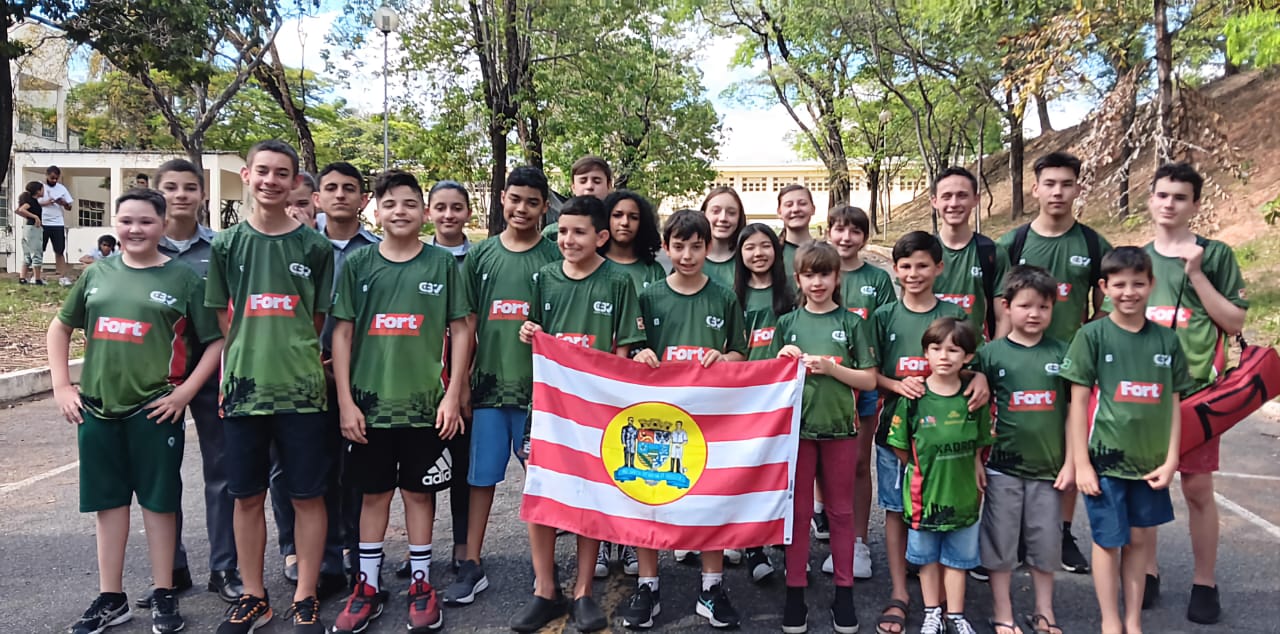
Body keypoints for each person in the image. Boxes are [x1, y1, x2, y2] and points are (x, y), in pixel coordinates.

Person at [49, 188, 223, 634]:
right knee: (109, 504)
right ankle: (112, 596)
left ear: (162, 225)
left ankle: (165, 591)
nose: (135, 229)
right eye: (126, 220)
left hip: (154, 409)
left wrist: (184, 394)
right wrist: (63, 385)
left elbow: (217, 341)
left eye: (145, 221)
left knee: (159, 503)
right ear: (116, 223)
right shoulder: (97, 275)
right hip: (99, 409)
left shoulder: (184, 279)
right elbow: (60, 325)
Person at [328, 170, 473, 634]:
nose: (400, 212)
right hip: (370, 408)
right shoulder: (359, 265)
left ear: (424, 211)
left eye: (410, 203)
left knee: (418, 493)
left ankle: (420, 583)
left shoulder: (442, 265)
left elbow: (463, 329)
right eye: (390, 204)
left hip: (426, 407)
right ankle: (366, 586)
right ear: (376, 210)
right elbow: (343, 333)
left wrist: (453, 395)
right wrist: (346, 401)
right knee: (373, 495)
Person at [207, 140, 336, 634]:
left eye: (282, 174)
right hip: (243, 390)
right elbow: (224, 318)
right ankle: (253, 596)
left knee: (307, 495)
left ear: (294, 182)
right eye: (263, 171)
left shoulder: (315, 247)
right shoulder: (226, 245)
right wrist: (250, 356)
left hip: (302, 391)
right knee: (246, 496)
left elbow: (317, 318)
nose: (271, 181)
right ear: (246, 174)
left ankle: (305, 594)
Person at [511, 195, 646, 633]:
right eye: (563, 231)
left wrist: (614, 396)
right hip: (550, 409)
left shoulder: (617, 282)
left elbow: (623, 350)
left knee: (590, 498)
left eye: (579, 232)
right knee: (543, 496)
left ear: (601, 237)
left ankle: (585, 591)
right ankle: (545, 590)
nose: (569, 240)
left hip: (598, 411)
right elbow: (533, 333)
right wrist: (528, 331)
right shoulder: (544, 278)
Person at [621, 209, 748, 630]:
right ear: (666, 247)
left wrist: (723, 356)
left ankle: (711, 587)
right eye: (679, 245)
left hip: (709, 416)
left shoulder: (724, 296)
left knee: (709, 495)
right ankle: (648, 585)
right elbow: (635, 350)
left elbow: (740, 354)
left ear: (709, 248)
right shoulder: (650, 296)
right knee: (648, 492)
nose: (688, 254)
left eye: (697, 246)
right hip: (658, 414)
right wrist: (642, 354)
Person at [443, 166, 562, 606]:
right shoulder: (481, 256)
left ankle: (545, 574)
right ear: (502, 200)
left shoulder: (554, 257)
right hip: (489, 389)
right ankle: (471, 562)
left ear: (544, 207)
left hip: (540, 395)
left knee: (540, 482)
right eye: (515, 199)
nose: (522, 209)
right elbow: (466, 325)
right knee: (481, 480)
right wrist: (459, 387)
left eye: (532, 202)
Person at [1060, 247, 1192, 634]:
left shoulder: (1166, 342)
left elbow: (1175, 406)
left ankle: (1133, 619)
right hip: (1105, 462)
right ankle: (1111, 620)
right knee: (1108, 541)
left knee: (1138, 541)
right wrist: (1081, 463)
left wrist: (1171, 461)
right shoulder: (1092, 335)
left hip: (1149, 464)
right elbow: (1077, 405)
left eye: (1138, 283)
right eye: (1119, 284)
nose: (1129, 292)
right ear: (1103, 288)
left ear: (1151, 285)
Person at [1139, 163, 1247, 624]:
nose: (1169, 204)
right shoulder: (1137, 256)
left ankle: (1205, 581)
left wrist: (1197, 274)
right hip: (1143, 395)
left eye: (1180, 197)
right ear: (1150, 200)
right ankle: (1147, 570)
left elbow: (1235, 322)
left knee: (1198, 488)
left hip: (1198, 392)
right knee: (1144, 486)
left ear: (1195, 204)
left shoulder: (1216, 254)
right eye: (1162, 195)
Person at [997, 151, 1113, 575]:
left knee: (1068, 448)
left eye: (1067, 184)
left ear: (1077, 188)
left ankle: (1061, 533)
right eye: (1050, 183)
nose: (1058, 191)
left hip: (1070, 367)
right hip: (1018, 360)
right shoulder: (1014, 243)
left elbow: (1108, 304)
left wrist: (1087, 341)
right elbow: (999, 305)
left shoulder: (1093, 243)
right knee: (1015, 442)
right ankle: (1013, 533)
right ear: (1036, 188)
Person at [270, 161, 378, 596]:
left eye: (349, 189)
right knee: (294, 469)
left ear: (362, 200)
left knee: (352, 467)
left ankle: (349, 547)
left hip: (356, 374)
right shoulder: (295, 248)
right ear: (316, 198)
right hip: (301, 374)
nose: (339, 195)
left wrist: (345, 368)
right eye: (330, 188)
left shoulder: (375, 251)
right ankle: (296, 548)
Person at [140, 159, 243, 608]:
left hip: (214, 372)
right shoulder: (141, 245)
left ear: (202, 194)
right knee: (161, 477)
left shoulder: (219, 248)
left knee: (223, 472)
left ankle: (224, 567)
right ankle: (171, 569)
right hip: (157, 381)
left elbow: (232, 312)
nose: (180, 195)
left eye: (189, 188)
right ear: (157, 191)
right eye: (171, 187)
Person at [871, 232, 976, 634]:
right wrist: (898, 385)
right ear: (895, 270)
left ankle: (948, 603)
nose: (914, 273)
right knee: (897, 509)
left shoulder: (953, 314)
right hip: (897, 436)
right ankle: (900, 591)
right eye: (906, 266)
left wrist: (978, 377)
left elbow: (970, 364)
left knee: (944, 509)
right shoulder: (884, 316)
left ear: (938, 267)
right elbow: (869, 373)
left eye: (922, 265)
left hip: (947, 439)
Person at [776, 241, 878, 634]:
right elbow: (768, 378)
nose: (817, 282)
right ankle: (795, 592)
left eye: (824, 274)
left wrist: (831, 369)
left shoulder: (852, 322)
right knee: (799, 514)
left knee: (840, 512)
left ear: (837, 278)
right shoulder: (787, 323)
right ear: (798, 279)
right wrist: (781, 359)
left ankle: (845, 592)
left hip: (840, 431)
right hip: (797, 434)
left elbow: (868, 379)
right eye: (809, 274)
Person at [977, 266, 1072, 634]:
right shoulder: (991, 355)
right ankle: (1003, 612)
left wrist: (1072, 461)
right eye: (1025, 305)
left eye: (1043, 307)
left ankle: (1043, 612)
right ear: (1006, 307)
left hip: (1049, 469)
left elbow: (1074, 412)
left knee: (1045, 544)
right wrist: (976, 461)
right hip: (1002, 466)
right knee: (1000, 545)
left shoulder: (1064, 354)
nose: (1034, 314)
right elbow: (977, 415)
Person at [389, 179, 474, 581]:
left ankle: (462, 546)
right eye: (440, 207)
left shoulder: (476, 259)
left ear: (468, 213)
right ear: (429, 213)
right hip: (418, 384)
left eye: (456, 207)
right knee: (418, 477)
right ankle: (418, 551)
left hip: (460, 380)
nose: (448, 215)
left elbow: (471, 325)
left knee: (460, 469)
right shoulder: (408, 257)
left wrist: (464, 383)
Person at [886, 317, 990, 634]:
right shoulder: (914, 399)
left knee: (958, 561)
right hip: (924, 497)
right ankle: (932, 612)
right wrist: (925, 468)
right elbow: (901, 448)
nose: (945, 356)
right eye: (937, 348)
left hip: (964, 497)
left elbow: (980, 443)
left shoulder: (974, 399)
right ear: (926, 354)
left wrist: (974, 463)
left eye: (954, 350)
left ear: (968, 357)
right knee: (927, 559)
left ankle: (955, 614)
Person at [825, 204, 896, 581]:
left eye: (854, 231)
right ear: (828, 232)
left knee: (856, 463)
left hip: (862, 384)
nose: (846, 237)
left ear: (864, 238)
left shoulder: (877, 280)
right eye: (839, 229)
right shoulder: (819, 272)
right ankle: (824, 538)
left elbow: (885, 331)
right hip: (822, 386)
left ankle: (858, 542)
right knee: (820, 466)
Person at [733, 222, 795, 584]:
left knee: (784, 473)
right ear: (740, 255)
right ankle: (753, 546)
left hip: (784, 399)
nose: (758, 254)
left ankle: (788, 544)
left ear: (776, 251)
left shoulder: (791, 294)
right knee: (752, 472)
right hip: (746, 399)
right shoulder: (732, 297)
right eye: (750, 248)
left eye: (765, 246)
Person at [931, 167, 1011, 342]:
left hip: (976, 357)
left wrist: (993, 356)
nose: (954, 203)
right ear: (934, 201)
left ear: (976, 199)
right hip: (930, 358)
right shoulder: (923, 252)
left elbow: (1003, 316)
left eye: (962, 195)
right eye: (947, 196)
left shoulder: (991, 252)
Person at [603, 190, 665, 293]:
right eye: (617, 215)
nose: (625, 222)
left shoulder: (653, 271)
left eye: (633, 217)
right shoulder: (592, 264)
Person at [543, 155, 613, 239]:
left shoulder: (619, 230)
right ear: (573, 187)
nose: (589, 186)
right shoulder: (552, 234)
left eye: (597, 181)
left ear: (609, 186)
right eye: (583, 181)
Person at [700, 186, 746, 289]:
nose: (723, 218)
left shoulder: (748, 259)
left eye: (731, 213)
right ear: (703, 214)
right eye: (716, 211)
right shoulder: (689, 259)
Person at [38, 165, 75, 286]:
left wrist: (63, 203)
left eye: (56, 178)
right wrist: (46, 202)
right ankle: (37, 276)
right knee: (39, 250)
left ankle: (62, 277)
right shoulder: (39, 187)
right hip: (42, 222)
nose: (54, 180)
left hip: (58, 223)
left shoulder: (62, 188)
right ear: (47, 175)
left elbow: (69, 207)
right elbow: (33, 203)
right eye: (52, 178)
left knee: (59, 251)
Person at [777, 184, 816, 281]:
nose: (795, 209)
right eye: (789, 205)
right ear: (779, 212)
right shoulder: (773, 253)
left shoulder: (826, 252)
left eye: (802, 203)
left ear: (813, 209)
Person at [16, 180, 45, 285]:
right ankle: (37, 279)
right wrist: (35, 217)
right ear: (38, 191)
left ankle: (22, 278)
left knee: (27, 254)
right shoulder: (32, 201)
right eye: (42, 189)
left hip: (27, 228)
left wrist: (29, 217)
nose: (43, 191)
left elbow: (18, 210)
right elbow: (21, 209)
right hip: (33, 229)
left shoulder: (30, 200)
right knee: (36, 252)